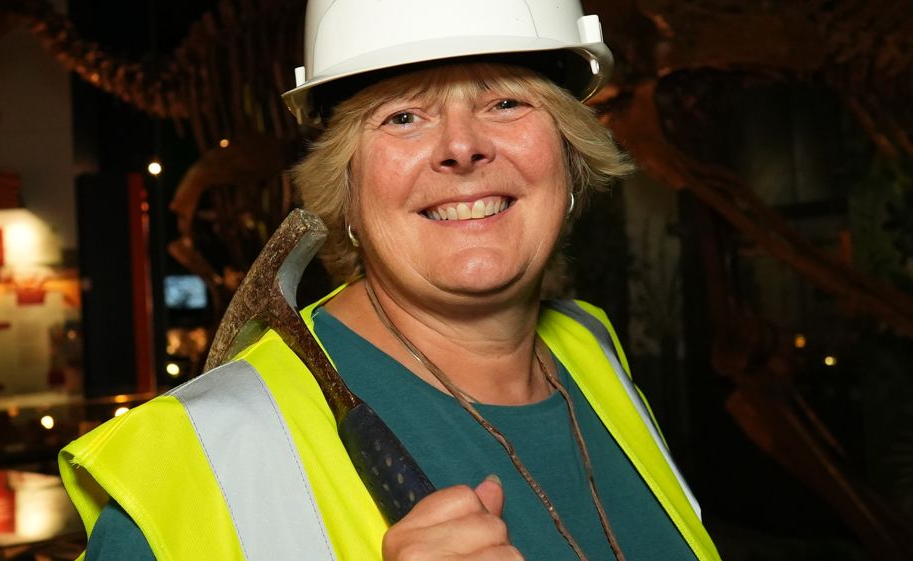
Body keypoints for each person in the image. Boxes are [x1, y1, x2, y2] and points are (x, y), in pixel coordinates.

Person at [60, 1, 721, 560]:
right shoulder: (193, 466)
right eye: (404, 115)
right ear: (346, 184)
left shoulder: (591, 347)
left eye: (506, 101)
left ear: (569, 155)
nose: (462, 147)